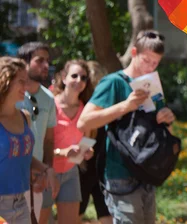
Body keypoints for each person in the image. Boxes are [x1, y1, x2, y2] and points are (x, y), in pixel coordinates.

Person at [77, 30, 175, 224]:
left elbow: (166, 132)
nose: (150, 67)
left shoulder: (152, 85)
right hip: (118, 174)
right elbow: (84, 122)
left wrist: (167, 119)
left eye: (155, 63)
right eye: (146, 60)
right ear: (134, 53)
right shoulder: (113, 82)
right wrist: (126, 106)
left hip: (146, 172)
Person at [0, 57, 56, 224]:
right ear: (6, 81)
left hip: (22, 201)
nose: (26, 87)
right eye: (21, 81)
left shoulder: (25, 117)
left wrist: (46, 170)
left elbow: (21, 155)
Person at [40, 60, 95, 224]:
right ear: (63, 77)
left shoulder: (85, 108)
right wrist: (62, 152)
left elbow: (87, 138)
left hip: (71, 172)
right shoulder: (50, 105)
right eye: (74, 76)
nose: (79, 81)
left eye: (83, 78)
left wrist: (86, 151)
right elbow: (39, 144)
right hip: (46, 172)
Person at [15, 42, 59, 222]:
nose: (46, 66)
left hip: (36, 179)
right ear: (23, 62)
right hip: (10, 176)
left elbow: (49, 140)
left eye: (47, 61)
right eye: (39, 60)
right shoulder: (8, 93)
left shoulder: (49, 98)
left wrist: (45, 171)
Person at [78, 61, 112, 224]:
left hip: (94, 166)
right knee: (104, 214)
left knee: (103, 214)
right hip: (93, 165)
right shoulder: (94, 105)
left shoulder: (90, 105)